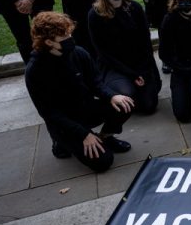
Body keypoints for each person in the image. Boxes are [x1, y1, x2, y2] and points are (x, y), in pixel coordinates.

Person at [25, 12, 134, 172]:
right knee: (103, 162)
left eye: (69, 33)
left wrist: (112, 96)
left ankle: (105, 137)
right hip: (65, 122)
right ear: (48, 42)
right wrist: (83, 134)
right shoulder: (35, 71)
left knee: (125, 104)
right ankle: (61, 143)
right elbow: (49, 112)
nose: (70, 38)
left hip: (85, 108)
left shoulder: (78, 53)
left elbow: (96, 83)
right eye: (64, 37)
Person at [88, 0, 161, 114]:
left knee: (148, 106)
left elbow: (146, 44)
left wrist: (141, 70)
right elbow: (103, 53)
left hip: (140, 64)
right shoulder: (95, 15)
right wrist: (132, 74)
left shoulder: (135, 8)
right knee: (127, 96)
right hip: (115, 66)